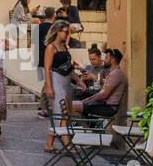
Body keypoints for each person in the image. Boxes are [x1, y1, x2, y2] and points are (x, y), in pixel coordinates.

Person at [42, 19, 74, 152]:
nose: (67, 35)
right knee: (61, 111)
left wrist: (79, 80)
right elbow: (47, 68)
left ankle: (49, 144)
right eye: (65, 32)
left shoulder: (65, 47)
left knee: (64, 112)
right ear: (57, 32)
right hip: (56, 81)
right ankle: (66, 140)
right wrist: (49, 87)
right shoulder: (51, 47)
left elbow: (69, 67)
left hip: (66, 82)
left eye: (68, 32)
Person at [71, 48, 126, 119]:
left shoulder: (117, 73)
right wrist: (87, 101)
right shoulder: (113, 72)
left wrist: (87, 101)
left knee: (70, 106)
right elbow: (102, 93)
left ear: (112, 59)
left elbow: (104, 95)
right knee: (71, 105)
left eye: (106, 57)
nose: (104, 60)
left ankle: (87, 129)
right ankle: (88, 128)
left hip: (108, 107)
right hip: (103, 104)